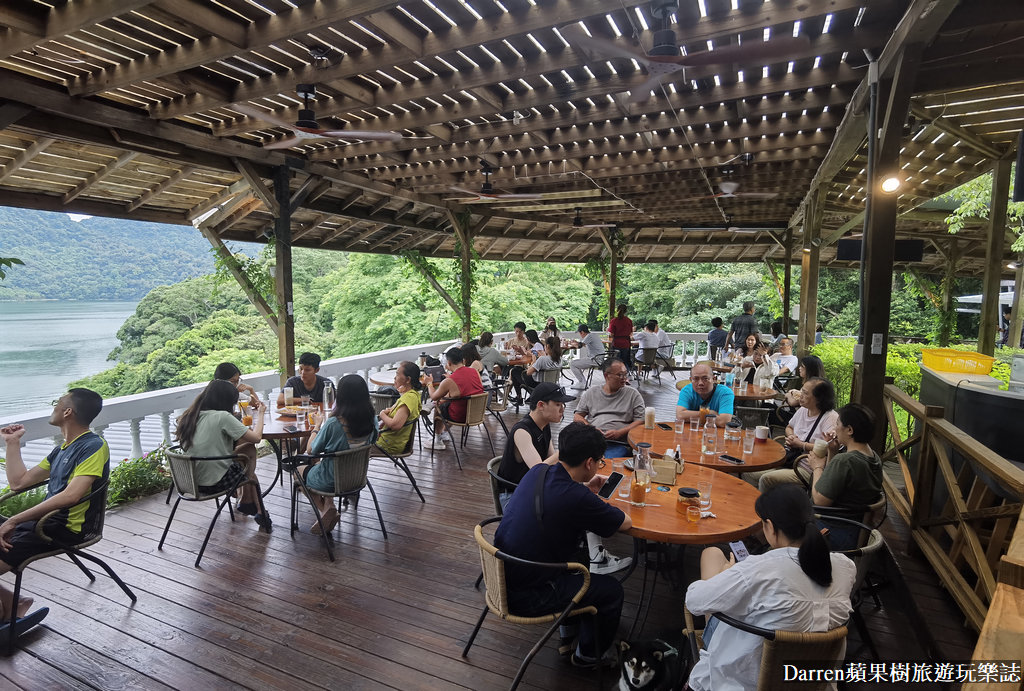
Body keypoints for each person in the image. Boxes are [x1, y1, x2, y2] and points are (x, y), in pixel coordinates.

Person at [685, 484, 855, 691]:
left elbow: (694, 601)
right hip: (810, 680)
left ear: (770, 526)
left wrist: (723, 576)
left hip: (745, 678)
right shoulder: (845, 566)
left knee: (712, 557)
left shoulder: (761, 569)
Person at [495, 422, 632, 667]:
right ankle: (588, 656)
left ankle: (569, 633)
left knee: (579, 558)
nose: (600, 464)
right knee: (611, 591)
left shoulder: (538, 472)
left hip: (501, 576)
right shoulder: (576, 497)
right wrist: (587, 496)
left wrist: (582, 488)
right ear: (589, 463)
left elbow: (560, 497)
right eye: (600, 461)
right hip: (527, 596)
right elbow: (625, 523)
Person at [0, 389, 109, 623]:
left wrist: (13, 520)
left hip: (63, 528)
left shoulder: (93, 445)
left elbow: (71, 496)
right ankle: (14, 602)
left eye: (56, 403)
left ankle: (13, 604)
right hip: (39, 524)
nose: (54, 407)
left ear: (67, 411)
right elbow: (18, 482)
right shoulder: (61, 450)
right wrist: (12, 443)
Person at [175, 379, 271, 531]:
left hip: (189, 481)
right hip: (214, 483)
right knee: (250, 454)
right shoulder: (222, 417)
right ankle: (250, 503)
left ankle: (253, 505)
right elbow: (257, 437)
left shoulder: (189, 415)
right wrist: (261, 413)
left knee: (246, 451)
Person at [298, 374, 376, 535]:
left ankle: (326, 510)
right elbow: (374, 439)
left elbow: (311, 450)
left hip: (331, 480)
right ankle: (328, 507)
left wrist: (316, 426)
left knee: (297, 472)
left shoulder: (334, 423)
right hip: (356, 478)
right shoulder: (372, 419)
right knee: (325, 464)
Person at [806, 403, 884, 547]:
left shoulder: (846, 461)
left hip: (830, 530)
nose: (834, 428)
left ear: (849, 430)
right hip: (854, 527)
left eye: (837, 424)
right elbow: (833, 482)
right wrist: (833, 452)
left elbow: (819, 500)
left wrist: (817, 467)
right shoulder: (873, 457)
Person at [754, 378, 839, 492]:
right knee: (749, 472)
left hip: (808, 468)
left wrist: (801, 444)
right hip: (788, 458)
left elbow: (828, 446)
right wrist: (792, 436)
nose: (800, 395)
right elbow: (789, 427)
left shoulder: (830, 418)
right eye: (801, 390)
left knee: (766, 479)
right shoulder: (803, 409)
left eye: (805, 393)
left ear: (819, 398)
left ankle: (764, 508)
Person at [497, 382, 573, 499]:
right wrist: (565, 451)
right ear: (541, 405)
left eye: (563, 405)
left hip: (533, 488)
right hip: (514, 495)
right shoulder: (522, 431)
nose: (562, 409)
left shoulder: (544, 425)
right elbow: (538, 471)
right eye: (558, 404)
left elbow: (552, 460)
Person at [573, 357, 645, 459]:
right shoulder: (592, 392)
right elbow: (577, 416)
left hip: (618, 443)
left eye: (625, 374)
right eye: (620, 375)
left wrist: (620, 432)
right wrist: (592, 429)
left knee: (603, 461)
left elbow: (641, 420)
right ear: (607, 376)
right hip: (593, 440)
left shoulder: (633, 394)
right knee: (575, 458)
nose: (624, 378)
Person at [424, 346, 485, 451]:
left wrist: (429, 383)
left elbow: (434, 397)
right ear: (464, 360)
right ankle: (444, 433)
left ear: (449, 363)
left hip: (460, 416)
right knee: (448, 400)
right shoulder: (475, 372)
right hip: (477, 414)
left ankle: (437, 440)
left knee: (439, 405)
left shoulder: (449, 381)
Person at [374, 361, 422, 455]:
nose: (395, 377)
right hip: (389, 442)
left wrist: (382, 414)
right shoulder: (412, 395)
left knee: (356, 447)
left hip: (387, 445)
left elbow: (395, 425)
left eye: (397, 374)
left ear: (408, 379)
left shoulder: (408, 399)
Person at [769, 355, 826, 428]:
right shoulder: (817, 383)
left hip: (799, 419)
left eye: (802, 366)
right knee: (768, 406)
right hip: (799, 416)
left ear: (810, 369)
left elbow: (793, 402)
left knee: (766, 410)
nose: (799, 368)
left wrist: (789, 394)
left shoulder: (812, 386)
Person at [675, 361, 734, 426]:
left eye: (705, 379)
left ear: (714, 379)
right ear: (691, 380)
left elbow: (723, 421)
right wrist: (709, 413)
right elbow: (680, 416)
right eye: (696, 379)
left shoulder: (725, 393)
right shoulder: (687, 391)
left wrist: (689, 416)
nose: (700, 383)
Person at [568, 324, 606, 390]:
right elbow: (586, 345)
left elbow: (580, 346)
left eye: (580, 333)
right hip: (599, 358)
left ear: (582, 332)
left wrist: (574, 344)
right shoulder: (593, 335)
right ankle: (582, 382)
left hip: (595, 359)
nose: (580, 335)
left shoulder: (589, 336)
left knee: (572, 364)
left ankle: (582, 383)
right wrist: (577, 342)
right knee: (575, 363)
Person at [607, 304, 634, 369]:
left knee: (616, 360)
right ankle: (627, 373)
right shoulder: (629, 321)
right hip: (626, 343)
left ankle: (617, 374)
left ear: (617, 310)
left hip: (617, 343)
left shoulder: (614, 321)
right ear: (626, 311)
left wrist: (608, 332)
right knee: (625, 360)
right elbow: (630, 332)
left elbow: (611, 334)